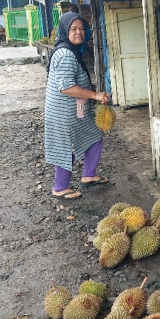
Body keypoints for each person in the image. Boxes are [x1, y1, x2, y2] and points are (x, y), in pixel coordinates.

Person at [45, 11, 110, 199]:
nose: (78, 32)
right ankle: (60, 187)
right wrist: (95, 95)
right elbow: (66, 88)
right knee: (66, 147)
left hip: (77, 109)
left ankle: (89, 175)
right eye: (73, 29)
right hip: (63, 112)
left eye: (81, 28)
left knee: (94, 133)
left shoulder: (72, 51)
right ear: (65, 30)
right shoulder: (65, 54)